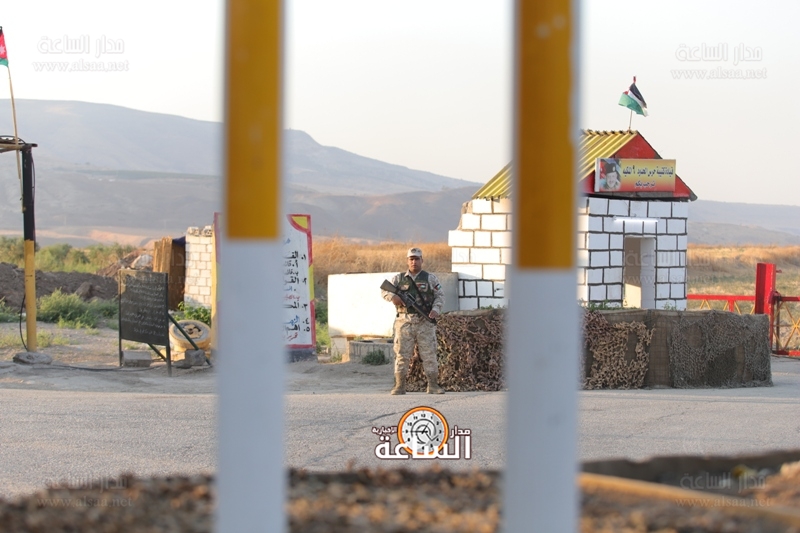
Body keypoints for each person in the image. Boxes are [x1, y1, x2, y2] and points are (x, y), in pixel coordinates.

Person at [381, 247, 445, 395]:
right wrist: (393, 297)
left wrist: (436, 309)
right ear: (407, 261)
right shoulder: (398, 279)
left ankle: (433, 385)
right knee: (402, 354)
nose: (414, 262)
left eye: (417, 259)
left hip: (424, 322)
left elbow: (440, 295)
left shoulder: (430, 278)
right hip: (404, 322)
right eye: (411, 259)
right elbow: (384, 291)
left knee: (429, 354)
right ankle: (399, 386)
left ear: (422, 260)